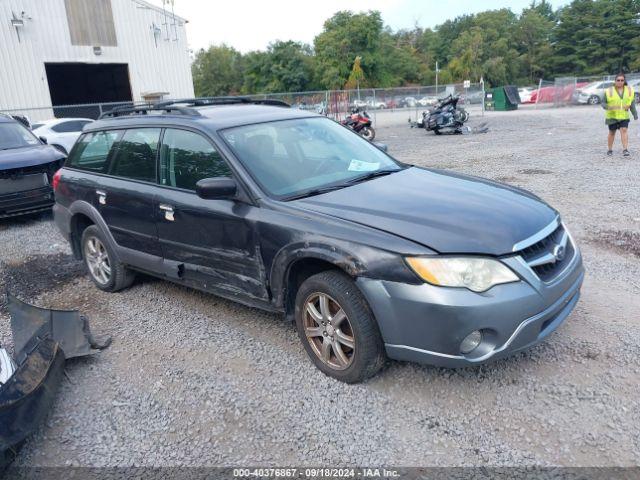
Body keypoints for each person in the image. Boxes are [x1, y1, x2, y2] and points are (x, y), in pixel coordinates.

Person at [603, 73, 638, 156]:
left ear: (624, 81)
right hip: (612, 116)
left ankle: (625, 149)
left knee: (624, 130)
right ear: (615, 81)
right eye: (618, 80)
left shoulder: (629, 90)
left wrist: (635, 114)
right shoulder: (609, 91)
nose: (620, 82)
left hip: (624, 115)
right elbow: (603, 103)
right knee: (612, 132)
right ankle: (610, 149)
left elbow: (632, 103)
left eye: (622, 80)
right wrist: (608, 107)